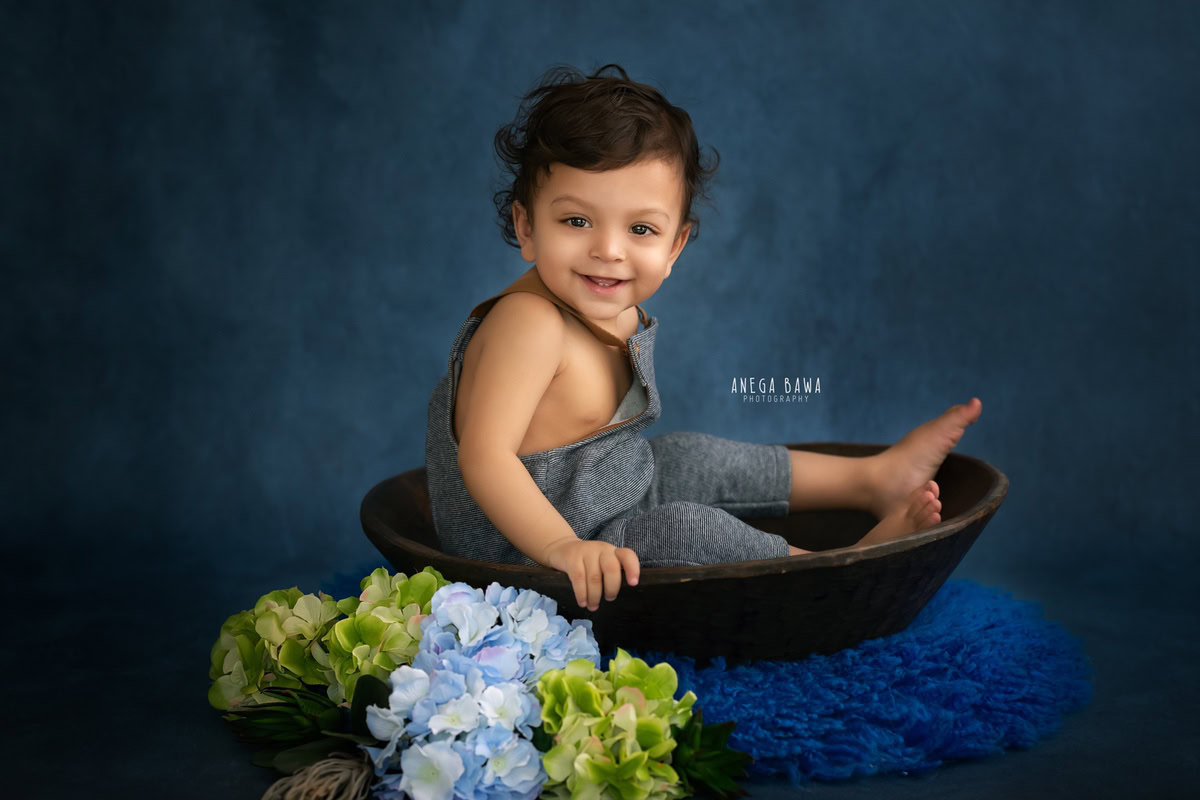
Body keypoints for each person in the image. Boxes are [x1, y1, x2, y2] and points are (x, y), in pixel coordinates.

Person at [424, 63, 982, 614]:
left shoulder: (614, 303)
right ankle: (827, 571)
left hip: (592, 498)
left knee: (692, 457)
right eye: (576, 221)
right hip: (522, 545)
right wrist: (559, 546)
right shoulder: (528, 323)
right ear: (527, 227)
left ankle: (871, 479)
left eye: (640, 229)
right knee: (681, 532)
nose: (609, 250)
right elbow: (486, 458)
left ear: (675, 246)